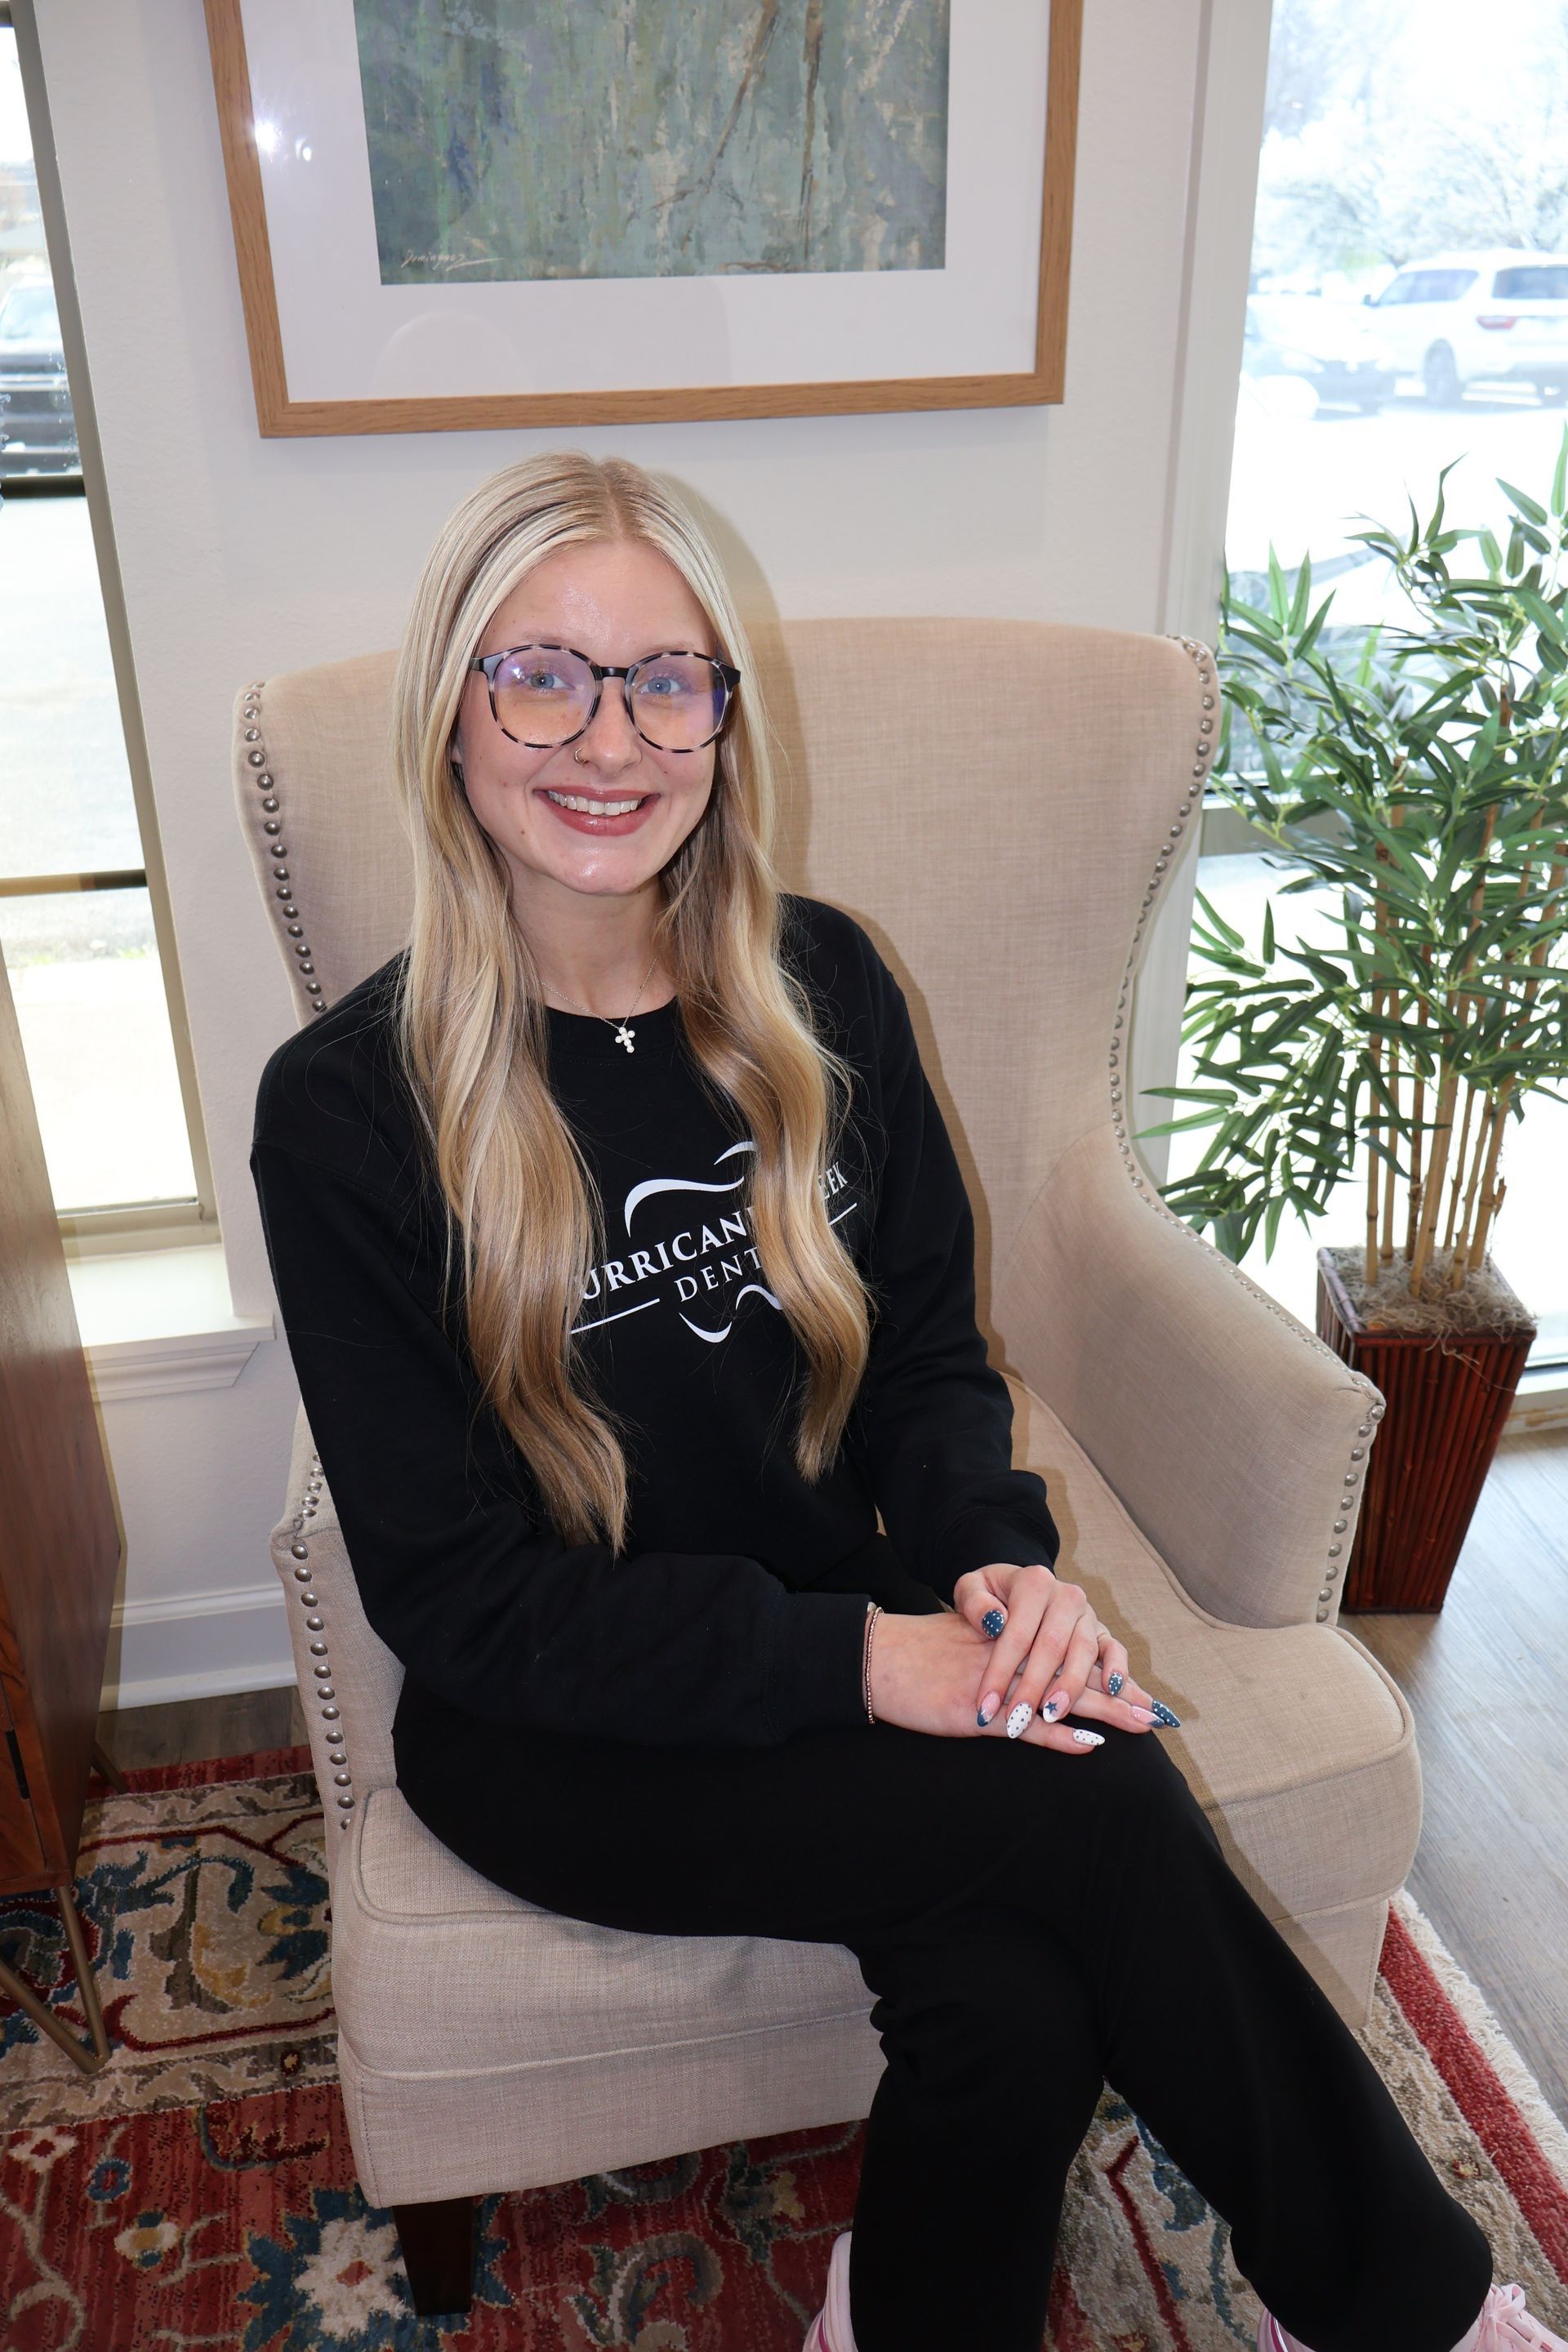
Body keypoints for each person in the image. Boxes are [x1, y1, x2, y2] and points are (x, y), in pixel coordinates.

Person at [249, 450, 1558, 2352]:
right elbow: (462, 1603)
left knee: (1013, 2002)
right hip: (554, 1729)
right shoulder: (349, 1111)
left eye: (665, 678)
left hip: (847, 1612)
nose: (606, 735)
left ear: (722, 721)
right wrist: (879, 1667)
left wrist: (994, 1576)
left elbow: (933, 1368)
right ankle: (1420, 2320)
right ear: (452, 713)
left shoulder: (822, 989)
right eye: (543, 671)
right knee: (1091, 1800)